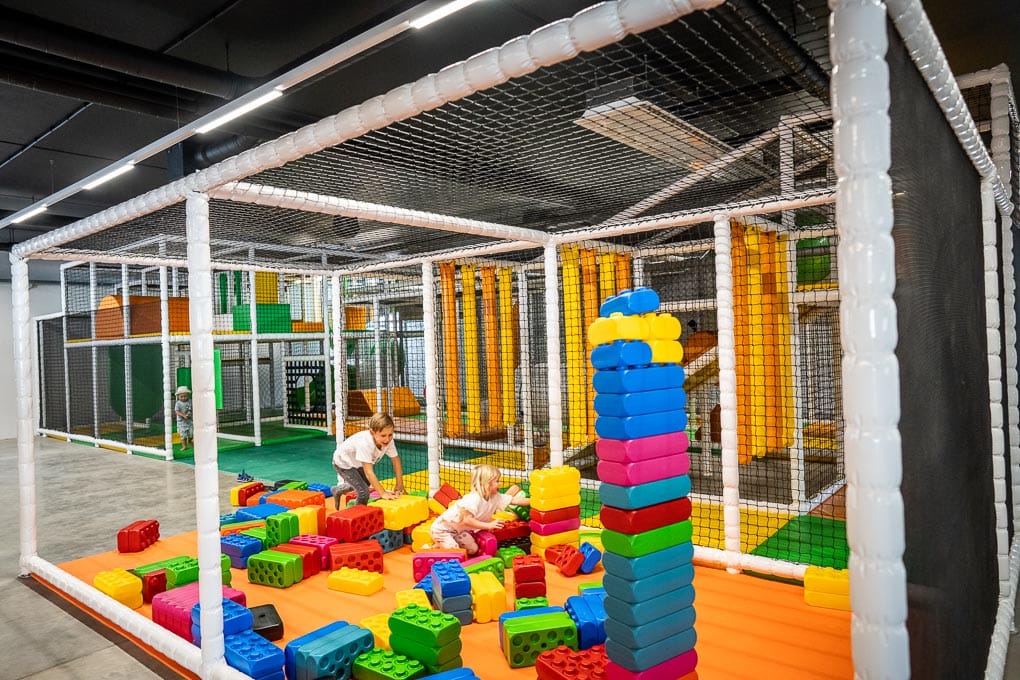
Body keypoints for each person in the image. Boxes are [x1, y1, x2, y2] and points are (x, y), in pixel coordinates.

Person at [430, 464, 530, 556]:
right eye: (497, 481)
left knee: (473, 549)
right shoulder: (473, 499)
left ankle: (441, 545)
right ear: (486, 484)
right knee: (454, 552)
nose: (500, 484)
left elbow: (514, 500)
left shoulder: (495, 497)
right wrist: (489, 525)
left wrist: (535, 501)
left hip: (458, 532)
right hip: (443, 529)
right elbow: (467, 520)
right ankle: (434, 549)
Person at [331, 412, 405, 509]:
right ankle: (356, 517)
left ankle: (338, 489)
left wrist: (399, 484)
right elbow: (369, 472)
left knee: (365, 483)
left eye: (390, 435)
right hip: (343, 462)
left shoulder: (389, 441)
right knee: (363, 492)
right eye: (383, 435)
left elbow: (396, 460)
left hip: (357, 463)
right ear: (372, 432)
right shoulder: (365, 443)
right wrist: (383, 493)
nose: (387, 439)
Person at [174, 386, 193, 451]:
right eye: (181, 397)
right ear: (178, 396)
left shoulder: (190, 401)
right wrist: (183, 415)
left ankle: (190, 441)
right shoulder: (178, 403)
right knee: (183, 435)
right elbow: (177, 411)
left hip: (190, 421)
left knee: (191, 434)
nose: (183, 398)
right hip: (182, 422)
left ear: (187, 395)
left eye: (185, 396)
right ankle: (184, 446)